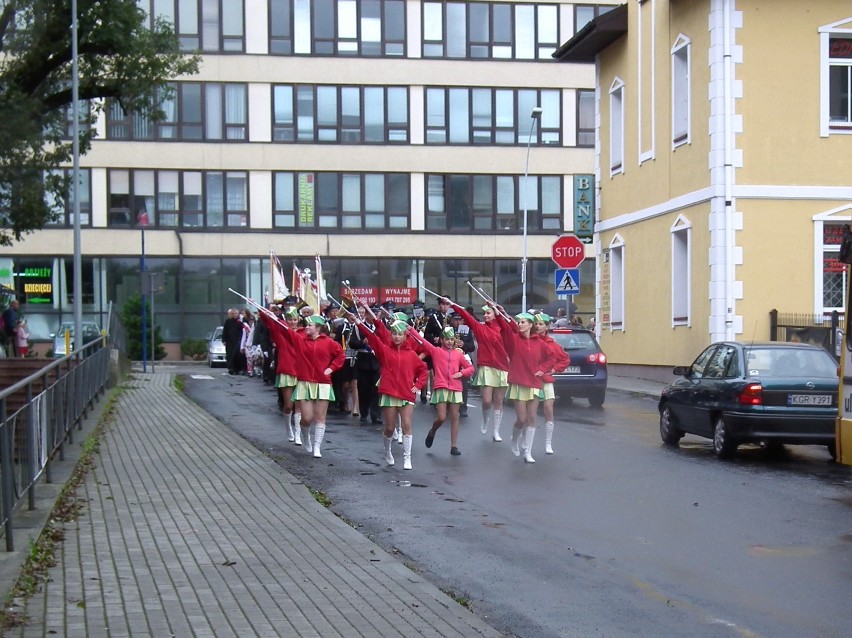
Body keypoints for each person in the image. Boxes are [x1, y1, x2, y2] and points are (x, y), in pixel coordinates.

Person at [351, 312, 428, 469]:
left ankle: (407, 458)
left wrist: (418, 385)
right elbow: (372, 338)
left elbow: (423, 370)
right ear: (391, 335)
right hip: (390, 393)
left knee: (407, 424)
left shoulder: (412, 355)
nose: (397, 337)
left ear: (405, 336)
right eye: (394, 334)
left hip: (406, 394)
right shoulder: (385, 351)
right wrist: (359, 323)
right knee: (390, 428)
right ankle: (387, 450)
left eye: (400, 334)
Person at [276, 312, 345, 458]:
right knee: (306, 418)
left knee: (320, 418)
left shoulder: (329, 343)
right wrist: (273, 317)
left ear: (318, 328)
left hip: (323, 383)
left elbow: (340, 356)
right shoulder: (300, 340)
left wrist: (331, 368)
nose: (306, 327)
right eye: (306, 324)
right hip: (305, 382)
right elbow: (285, 330)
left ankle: (317, 447)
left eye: (310, 325)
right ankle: (305, 436)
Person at [445, 299, 510, 442]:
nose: (485, 315)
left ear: (495, 314)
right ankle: (485, 419)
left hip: (502, 366)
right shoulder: (480, 327)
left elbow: (513, 327)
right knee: (487, 401)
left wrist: (501, 311)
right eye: (484, 313)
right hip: (486, 366)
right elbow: (467, 316)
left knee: (499, 401)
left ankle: (496, 431)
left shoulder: (502, 327)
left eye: (488, 313)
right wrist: (452, 304)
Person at [492, 305, 550, 463]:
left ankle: (528, 452)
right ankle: (514, 439)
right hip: (519, 383)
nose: (520, 324)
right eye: (518, 322)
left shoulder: (540, 343)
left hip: (534, 384)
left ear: (530, 324)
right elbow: (505, 327)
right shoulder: (514, 340)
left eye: (523, 322)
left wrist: (543, 370)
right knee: (521, 419)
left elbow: (552, 357)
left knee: (532, 418)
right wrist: (499, 314)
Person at [408, 325, 474, 456]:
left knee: (455, 417)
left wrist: (461, 373)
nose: (449, 342)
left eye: (451, 339)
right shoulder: (436, 351)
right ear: (442, 340)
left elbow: (471, 368)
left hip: (455, 388)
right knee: (442, 417)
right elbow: (423, 342)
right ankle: (433, 431)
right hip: (441, 386)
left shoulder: (459, 354)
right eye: (446, 339)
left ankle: (454, 446)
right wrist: (410, 329)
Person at [262, 306, 304, 445]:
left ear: (298, 320)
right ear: (286, 320)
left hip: (300, 372)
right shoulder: (280, 333)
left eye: (295, 319)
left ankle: (298, 434)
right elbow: (270, 324)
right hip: (286, 371)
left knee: (298, 405)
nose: (292, 322)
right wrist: (265, 313)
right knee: (288, 405)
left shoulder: (303, 334)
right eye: (290, 319)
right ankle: (288, 429)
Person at [533, 313, 571, 454]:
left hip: (546, 380)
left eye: (541, 324)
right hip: (531, 380)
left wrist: (554, 369)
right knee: (529, 412)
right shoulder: (531, 341)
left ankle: (548, 443)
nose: (538, 326)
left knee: (548, 409)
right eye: (536, 324)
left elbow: (565, 359)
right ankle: (525, 439)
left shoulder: (552, 344)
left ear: (547, 326)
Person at [349, 306, 383, 424]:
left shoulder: (380, 327)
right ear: (367, 316)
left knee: (377, 389)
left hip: (377, 361)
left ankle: (376, 415)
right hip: (363, 361)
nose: (375, 317)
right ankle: (364, 412)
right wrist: (361, 343)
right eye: (372, 315)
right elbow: (352, 343)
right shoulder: (358, 327)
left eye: (377, 315)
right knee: (364, 389)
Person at [448, 311, 476, 417]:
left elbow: (472, 347)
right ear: (451, 320)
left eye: (460, 320)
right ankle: (449, 404)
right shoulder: (447, 330)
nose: (458, 322)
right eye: (455, 320)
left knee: (464, 384)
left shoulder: (466, 330)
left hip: (462, 359)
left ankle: (463, 407)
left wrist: (463, 344)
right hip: (450, 358)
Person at [222, 308, 243, 375]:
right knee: (230, 355)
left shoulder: (240, 322)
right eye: (232, 313)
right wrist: (224, 340)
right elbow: (225, 331)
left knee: (237, 355)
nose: (234, 315)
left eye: (235, 313)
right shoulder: (228, 321)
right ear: (230, 314)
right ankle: (231, 368)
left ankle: (238, 369)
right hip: (229, 342)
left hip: (238, 342)